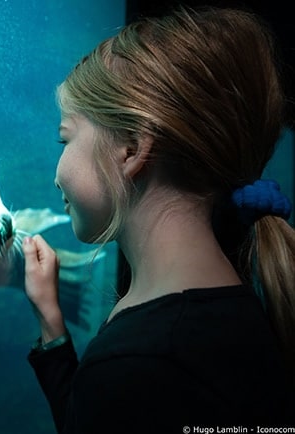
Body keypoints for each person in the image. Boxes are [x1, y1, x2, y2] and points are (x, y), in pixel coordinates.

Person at [21, 5, 295, 433]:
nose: (56, 175)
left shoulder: (138, 363)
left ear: (131, 148)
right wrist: (52, 325)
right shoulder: (229, 315)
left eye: (65, 138)